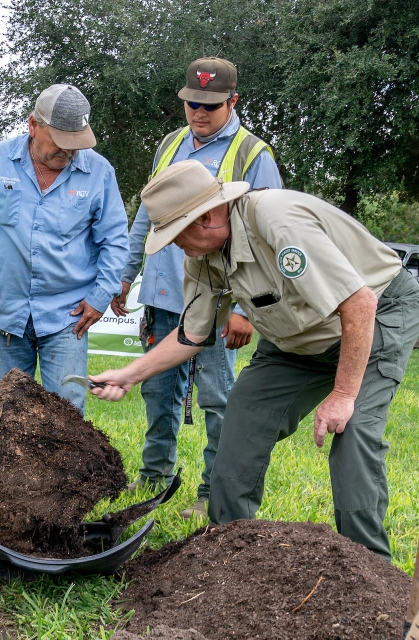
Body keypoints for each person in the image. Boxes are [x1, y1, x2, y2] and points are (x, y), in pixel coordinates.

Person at [92, 160, 419, 560]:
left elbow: (359, 304)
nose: (176, 246)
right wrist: (130, 373)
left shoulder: (276, 220)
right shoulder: (202, 257)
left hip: (374, 317)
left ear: (209, 216)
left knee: (352, 434)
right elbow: (193, 335)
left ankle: (369, 568)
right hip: (296, 341)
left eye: (177, 234)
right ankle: (228, 551)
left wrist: (341, 394)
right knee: (243, 415)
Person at [110, 57, 282, 512]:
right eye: (192, 105)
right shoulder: (169, 145)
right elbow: (145, 218)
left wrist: (246, 311)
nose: (199, 114)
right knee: (157, 392)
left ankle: (211, 494)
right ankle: (153, 478)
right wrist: (127, 275)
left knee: (217, 399)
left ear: (233, 101)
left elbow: (267, 236)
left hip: (220, 302)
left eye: (210, 105)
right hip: (164, 291)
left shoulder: (252, 154)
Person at [0, 84, 128, 412]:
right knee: (7, 413)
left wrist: (100, 295)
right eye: (61, 143)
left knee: (66, 414)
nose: (69, 152)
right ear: (33, 125)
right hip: (6, 310)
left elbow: (115, 240)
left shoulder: (99, 173)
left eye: (76, 145)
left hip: (68, 316)